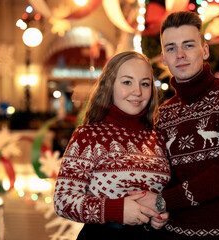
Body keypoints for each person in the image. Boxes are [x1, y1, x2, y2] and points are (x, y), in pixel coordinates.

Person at [130, 11, 219, 239]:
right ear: (164, 57)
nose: (180, 55)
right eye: (171, 48)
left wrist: (162, 201)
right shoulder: (164, 113)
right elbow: (161, 175)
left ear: (205, 50)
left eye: (188, 45)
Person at [53, 51, 171, 239]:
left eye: (145, 83)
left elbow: (162, 195)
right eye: (127, 82)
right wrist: (116, 210)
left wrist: (161, 212)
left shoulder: (159, 137)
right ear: (110, 85)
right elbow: (63, 201)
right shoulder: (88, 136)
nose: (138, 91)